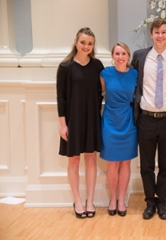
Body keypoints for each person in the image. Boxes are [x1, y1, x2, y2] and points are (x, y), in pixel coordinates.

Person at [131, 19, 166, 220]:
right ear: (151, 34)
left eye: (164, 32)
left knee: (165, 165)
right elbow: (131, 80)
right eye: (156, 32)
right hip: (145, 118)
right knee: (146, 165)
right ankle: (149, 202)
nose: (160, 36)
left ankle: (162, 201)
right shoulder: (140, 56)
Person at [56, 27, 104, 219]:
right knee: (74, 160)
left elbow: (104, 91)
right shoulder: (65, 67)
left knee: (91, 158)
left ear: (93, 46)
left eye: (90, 43)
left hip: (92, 118)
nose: (86, 46)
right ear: (76, 42)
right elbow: (60, 97)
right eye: (83, 42)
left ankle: (90, 200)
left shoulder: (98, 65)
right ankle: (77, 200)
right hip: (73, 120)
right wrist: (63, 124)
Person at [100, 42, 138, 217]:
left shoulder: (135, 74)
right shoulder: (105, 74)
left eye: (123, 53)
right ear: (113, 56)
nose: (120, 57)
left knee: (125, 162)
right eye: (117, 54)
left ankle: (122, 199)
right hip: (109, 121)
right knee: (112, 163)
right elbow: (99, 95)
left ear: (128, 56)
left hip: (129, 121)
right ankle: (113, 199)